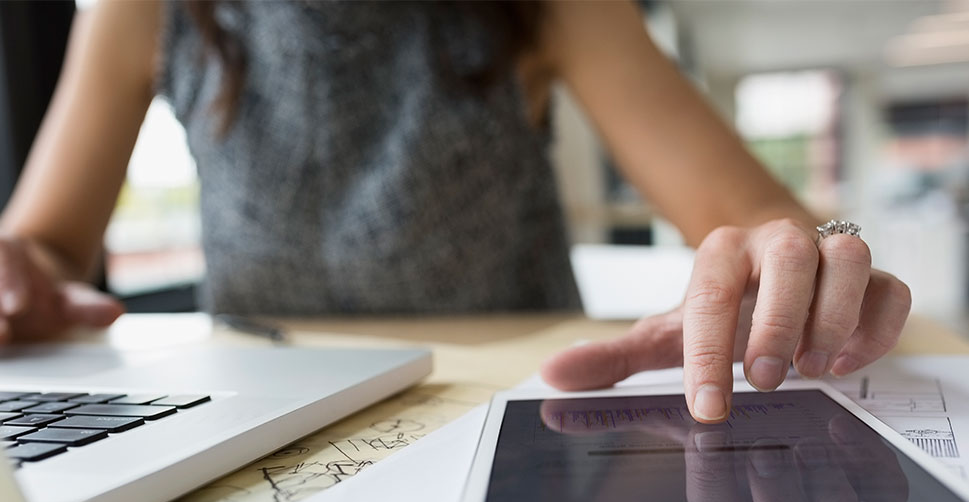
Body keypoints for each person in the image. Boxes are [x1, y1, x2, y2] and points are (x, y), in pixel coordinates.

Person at [0, 0, 911, 424]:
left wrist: (801, 253)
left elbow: (756, 217)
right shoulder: (142, 10)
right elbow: (45, 244)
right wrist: (17, 272)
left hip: (510, 402)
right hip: (254, 409)